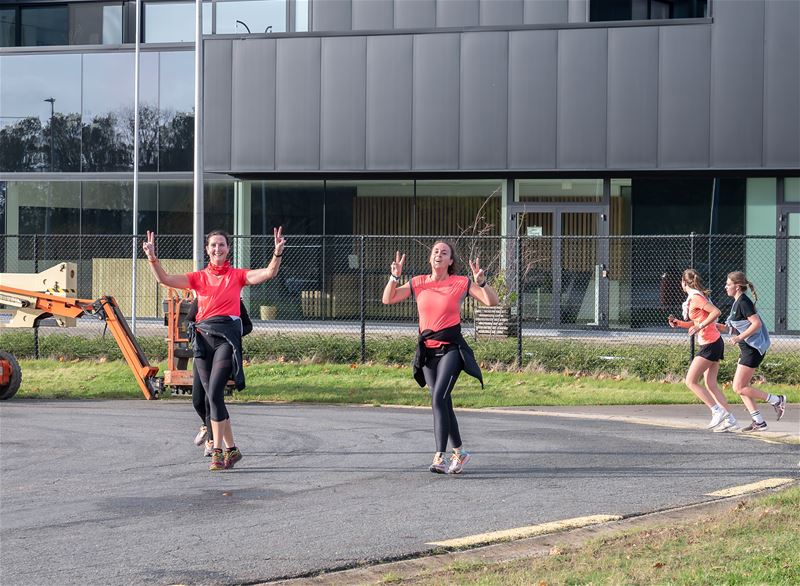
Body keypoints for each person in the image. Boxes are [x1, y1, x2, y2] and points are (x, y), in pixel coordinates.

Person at [143, 227, 285, 470]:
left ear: (228, 249)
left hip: (225, 340)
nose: (217, 248)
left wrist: (277, 253)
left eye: (222, 245)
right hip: (202, 339)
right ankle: (232, 449)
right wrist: (152, 257)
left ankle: (217, 449)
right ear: (207, 250)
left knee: (216, 393)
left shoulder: (237, 276)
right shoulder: (198, 278)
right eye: (213, 245)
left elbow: (269, 273)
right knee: (206, 398)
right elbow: (164, 279)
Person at [382, 242, 499, 474]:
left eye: (444, 253)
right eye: (436, 251)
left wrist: (482, 282)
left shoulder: (460, 283)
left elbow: (491, 302)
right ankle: (460, 452)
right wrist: (394, 277)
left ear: (450, 261)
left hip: (451, 350)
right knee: (443, 402)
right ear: (430, 258)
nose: (439, 255)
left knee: (438, 398)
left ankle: (439, 456)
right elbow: (388, 299)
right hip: (427, 352)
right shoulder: (418, 283)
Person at [667, 269, 737, 432]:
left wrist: (700, 326)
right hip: (713, 342)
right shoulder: (695, 298)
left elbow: (716, 312)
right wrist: (679, 323)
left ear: (683, 283)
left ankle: (717, 411)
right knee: (710, 384)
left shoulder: (697, 298)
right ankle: (730, 418)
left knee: (690, 381)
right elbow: (696, 321)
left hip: (710, 344)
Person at [718, 271, 786, 432]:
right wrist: (709, 325)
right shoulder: (737, 303)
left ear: (737, 286)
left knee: (738, 387)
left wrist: (739, 337)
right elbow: (734, 328)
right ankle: (759, 421)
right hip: (747, 350)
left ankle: (777, 400)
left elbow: (756, 324)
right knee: (741, 387)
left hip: (752, 350)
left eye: (728, 284)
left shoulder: (743, 302)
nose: (725, 287)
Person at [190, 298, 253, 457]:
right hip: (203, 352)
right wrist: (195, 330)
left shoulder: (233, 301)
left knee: (212, 397)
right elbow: (189, 320)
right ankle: (207, 426)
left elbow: (247, 325)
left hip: (222, 351)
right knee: (198, 400)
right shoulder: (202, 298)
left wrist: (230, 331)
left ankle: (213, 441)